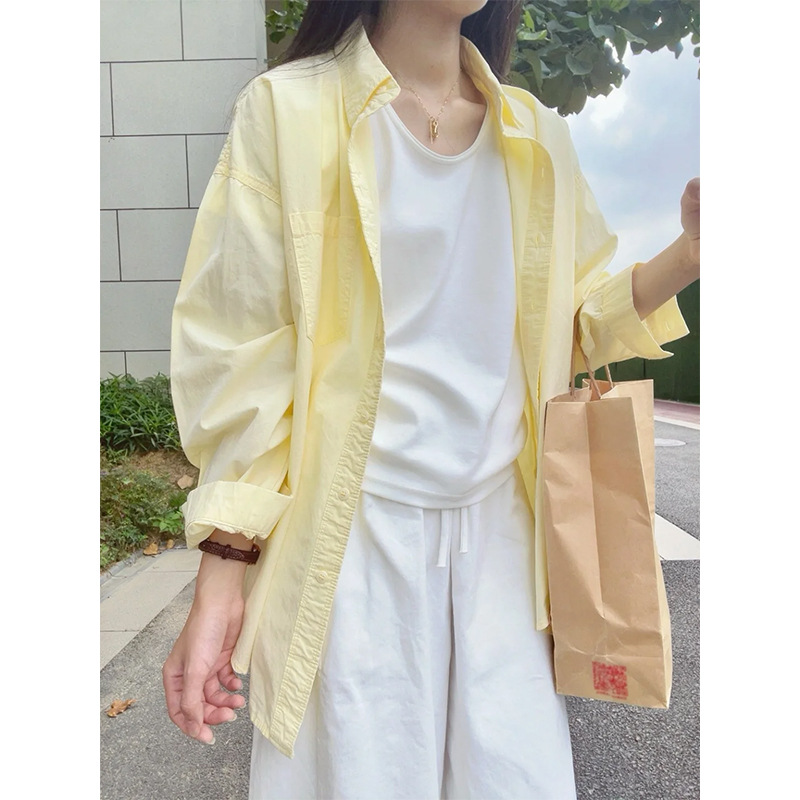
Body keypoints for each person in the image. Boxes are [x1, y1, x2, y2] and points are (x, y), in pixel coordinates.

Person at [163, 2, 699, 798]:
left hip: (505, 542)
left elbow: (577, 323)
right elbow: (241, 354)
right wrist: (222, 575)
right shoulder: (287, 111)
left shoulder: (535, 135)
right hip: (353, 543)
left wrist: (691, 253)